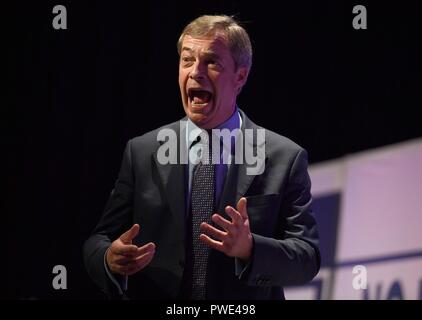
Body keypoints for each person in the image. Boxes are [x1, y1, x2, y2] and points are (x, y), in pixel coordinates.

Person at [83, 15, 320, 300]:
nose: (196, 72)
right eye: (187, 60)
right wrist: (109, 258)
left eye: (212, 62)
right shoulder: (142, 151)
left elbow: (307, 258)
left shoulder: (285, 157)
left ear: (241, 76)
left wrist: (250, 249)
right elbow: (98, 240)